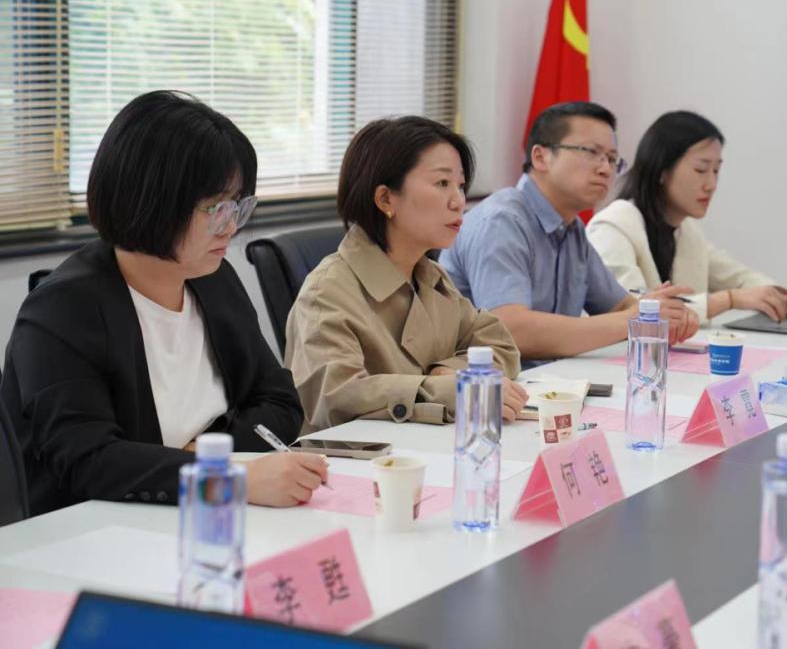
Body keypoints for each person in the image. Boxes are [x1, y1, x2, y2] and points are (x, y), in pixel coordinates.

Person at [1, 91, 326, 516]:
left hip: (185, 513)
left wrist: (206, 457)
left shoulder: (213, 279)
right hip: (91, 530)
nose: (230, 227)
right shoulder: (62, 310)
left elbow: (279, 402)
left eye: (238, 206)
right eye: (216, 208)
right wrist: (227, 478)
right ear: (150, 201)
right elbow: (86, 462)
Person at [285, 116, 526, 431]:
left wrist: (446, 372)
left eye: (460, 185)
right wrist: (451, 389)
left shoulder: (431, 276)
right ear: (385, 198)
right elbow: (336, 399)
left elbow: (500, 346)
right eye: (442, 183)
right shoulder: (326, 292)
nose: (459, 201)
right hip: (356, 456)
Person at [440, 102, 699, 366]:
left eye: (612, 159)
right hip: (482, 385)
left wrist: (661, 312)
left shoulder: (572, 229)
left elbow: (622, 308)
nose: (605, 169)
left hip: (548, 381)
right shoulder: (502, 221)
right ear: (540, 157)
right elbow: (510, 331)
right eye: (591, 152)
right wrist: (636, 318)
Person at [587, 111, 787, 323]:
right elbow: (631, 311)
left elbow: (737, 277)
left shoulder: (686, 230)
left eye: (716, 171)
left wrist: (779, 296)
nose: (711, 185)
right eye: (701, 170)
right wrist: (729, 300)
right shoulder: (612, 227)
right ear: (662, 171)